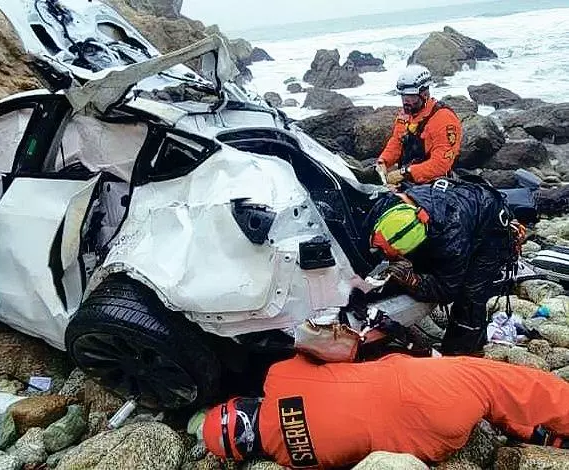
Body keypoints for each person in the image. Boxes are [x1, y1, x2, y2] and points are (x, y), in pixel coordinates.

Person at [193, 353, 569, 469]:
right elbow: (339, 349)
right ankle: (556, 418)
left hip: (432, 444)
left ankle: (543, 438)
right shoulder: (279, 377)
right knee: (501, 383)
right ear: (240, 404)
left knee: (482, 401)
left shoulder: (294, 459)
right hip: (426, 390)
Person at [364, 178, 522, 355]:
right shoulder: (390, 204)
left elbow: (447, 289)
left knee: (470, 296)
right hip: (459, 203)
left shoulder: (452, 241)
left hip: (489, 227)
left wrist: (413, 280)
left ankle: (460, 354)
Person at [376, 64, 462, 187]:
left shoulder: (443, 119)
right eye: (403, 96)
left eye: (411, 97)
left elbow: (441, 164)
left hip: (433, 184)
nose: (406, 101)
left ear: (424, 94)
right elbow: (396, 142)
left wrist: (405, 173)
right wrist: (383, 162)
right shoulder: (406, 115)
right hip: (408, 179)